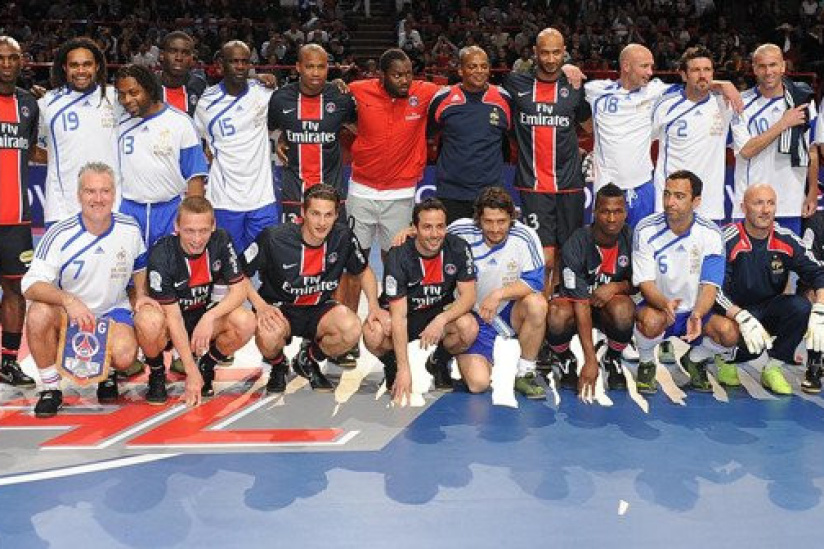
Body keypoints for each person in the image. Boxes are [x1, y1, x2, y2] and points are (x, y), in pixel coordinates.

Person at [22, 163, 152, 417]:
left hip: (113, 311)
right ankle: (51, 388)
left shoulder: (130, 228)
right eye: (90, 191)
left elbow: (139, 266)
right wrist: (68, 300)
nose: (98, 199)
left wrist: (141, 294)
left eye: (105, 191)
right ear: (79, 195)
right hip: (69, 316)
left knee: (126, 355)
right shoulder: (59, 234)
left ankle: (109, 374)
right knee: (38, 313)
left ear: (114, 194)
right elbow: (30, 284)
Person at [243, 184, 381, 393]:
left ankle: (308, 359)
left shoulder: (343, 237)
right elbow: (238, 275)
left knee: (351, 328)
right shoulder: (273, 237)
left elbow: (364, 271)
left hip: (319, 308)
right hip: (280, 309)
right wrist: (260, 306)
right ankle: (278, 365)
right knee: (268, 335)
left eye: (328, 215)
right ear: (302, 213)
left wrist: (374, 306)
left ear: (336, 215)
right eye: (315, 214)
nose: (322, 222)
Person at [690, 184, 824, 395]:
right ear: (743, 208)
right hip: (730, 312)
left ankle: (773, 367)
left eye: (770, 203)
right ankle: (720, 355)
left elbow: (818, 272)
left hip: (766, 308)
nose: (765, 210)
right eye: (758, 203)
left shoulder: (785, 238)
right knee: (744, 342)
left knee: (801, 307)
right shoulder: (725, 239)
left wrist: (820, 310)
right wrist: (742, 317)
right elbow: (712, 290)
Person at [134, 197, 255, 403]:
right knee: (147, 321)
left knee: (246, 321)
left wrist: (209, 317)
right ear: (177, 227)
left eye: (203, 231)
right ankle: (156, 372)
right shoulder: (162, 254)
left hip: (202, 316)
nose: (197, 239)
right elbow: (174, 318)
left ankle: (206, 366)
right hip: (169, 322)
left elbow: (239, 291)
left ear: (213, 226)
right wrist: (190, 373)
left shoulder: (221, 239)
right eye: (190, 230)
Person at [503, 28, 591, 294]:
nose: (551, 59)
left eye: (556, 52)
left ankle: (556, 310)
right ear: (534, 53)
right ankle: (540, 311)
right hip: (534, 185)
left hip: (570, 185)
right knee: (545, 257)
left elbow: (589, 128)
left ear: (564, 52)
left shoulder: (574, 86)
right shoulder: (515, 84)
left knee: (566, 255)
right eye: (545, 52)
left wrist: (586, 152)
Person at [363, 198, 478, 401]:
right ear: (414, 228)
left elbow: (469, 296)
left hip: (437, 312)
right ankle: (392, 367)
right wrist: (404, 368)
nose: (434, 234)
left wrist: (441, 320)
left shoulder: (458, 247)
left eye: (440, 227)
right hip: (404, 313)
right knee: (373, 334)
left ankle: (439, 361)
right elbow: (399, 316)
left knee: (468, 328)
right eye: (427, 227)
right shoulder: (398, 256)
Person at [632, 170, 726, 393]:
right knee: (651, 323)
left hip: (694, 310)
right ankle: (646, 362)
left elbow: (710, 285)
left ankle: (694, 359)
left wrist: (698, 314)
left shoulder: (711, 233)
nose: (670, 202)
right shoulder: (646, 229)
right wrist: (664, 304)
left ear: (696, 201)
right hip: (657, 306)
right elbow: (645, 283)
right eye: (666, 194)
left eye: (679, 196)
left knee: (728, 333)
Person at [449, 187, 548, 398]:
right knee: (478, 384)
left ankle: (525, 373)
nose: (495, 229)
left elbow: (535, 281)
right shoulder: (459, 231)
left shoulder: (525, 236)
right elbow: (431, 238)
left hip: (508, 310)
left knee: (537, 304)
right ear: (478, 219)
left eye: (501, 221)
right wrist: (410, 231)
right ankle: (443, 355)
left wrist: (498, 295)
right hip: (470, 313)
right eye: (488, 221)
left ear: (512, 218)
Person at [546, 184, 635, 394]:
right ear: (594, 212)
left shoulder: (633, 239)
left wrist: (616, 286)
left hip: (609, 308)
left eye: (617, 212)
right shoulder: (576, 243)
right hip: (577, 306)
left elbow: (641, 283)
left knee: (624, 309)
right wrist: (589, 360)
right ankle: (564, 358)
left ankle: (612, 358)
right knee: (556, 313)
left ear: (625, 213)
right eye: (605, 212)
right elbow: (581, 304)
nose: (612, 219)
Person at [194, 40, 277, 255]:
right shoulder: (206, 104)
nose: (240, 66)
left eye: (244, 62)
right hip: (224, 200)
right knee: (226, 267)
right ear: (221, 63)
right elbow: (198, 142)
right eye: (234, 61)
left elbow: (293, 104)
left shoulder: (264, 93)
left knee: (266, 265)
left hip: (262, 199)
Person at [115, 63, 208, 247]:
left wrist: (193, 221)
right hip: (128, 212)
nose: (127, 99)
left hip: (170, 212)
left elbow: (195, 178)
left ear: (149, 89)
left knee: (170, 273)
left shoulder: (180, 123)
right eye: (122, 94)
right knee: (131, 273)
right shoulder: (119, 126)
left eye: (134, 92)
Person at [731, 44, 818, 235]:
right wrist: (782, 124)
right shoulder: (741, 104)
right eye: (762, 66)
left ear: (783, 67)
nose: (768, 71)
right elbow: (746, 150)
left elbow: (811, 149)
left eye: (773, 65)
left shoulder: (802, 102)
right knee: (750, 264)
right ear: (754, 69)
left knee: (787, 263)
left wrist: (812, 191)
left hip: (790, 200)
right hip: (750, 203)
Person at [33, 37, 119, 225]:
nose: (81, 71)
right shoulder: (48, 103)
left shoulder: (115, 100)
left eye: (87, 64)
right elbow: (31, 148)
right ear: (65, 68)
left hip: (111, 207)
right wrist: (54, 158)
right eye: (74, 65)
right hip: (62, 210)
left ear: (97, 66)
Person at [268, 44, 356, 224]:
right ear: (298, 67)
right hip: (294, 193)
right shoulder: (280, 99)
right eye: (310, 66)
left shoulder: (341, 98)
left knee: (334, 248)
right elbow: (270, 130)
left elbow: (360, 129)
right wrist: (283, 138)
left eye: (321, 67)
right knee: (292, 248)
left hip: (332, 192)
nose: (316, 73)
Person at [427, 46, 512, 224]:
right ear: (460, 70)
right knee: (452, 248)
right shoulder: (442, 99)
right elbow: (429, 133)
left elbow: (512, 137)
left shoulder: (504, 99)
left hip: (491, 194)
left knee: (492, 249)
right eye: (472, 66)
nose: (479, 71)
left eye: (483, 66)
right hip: (451, 192)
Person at [651, 46, 735, 223]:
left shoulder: (726, 105)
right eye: (696, 70)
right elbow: (642, 141)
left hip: (710, 207)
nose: (703, 75)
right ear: (683, 75)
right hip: (671, 205)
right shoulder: (665, 105)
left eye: (707, 70)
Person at [0, 36, 38, 388]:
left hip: (16, 219)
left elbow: (31, 151)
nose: (7, 64)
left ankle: (8, 361)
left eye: (13, 58)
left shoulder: (29, 104)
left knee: (15, 291)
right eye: (2, 58)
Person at [157, 31, 208, 117]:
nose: (179, 58)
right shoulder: (148, 86)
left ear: (191, 59)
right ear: (162, 55)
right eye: (173, 51)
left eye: (185, 53)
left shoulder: (200, 86)